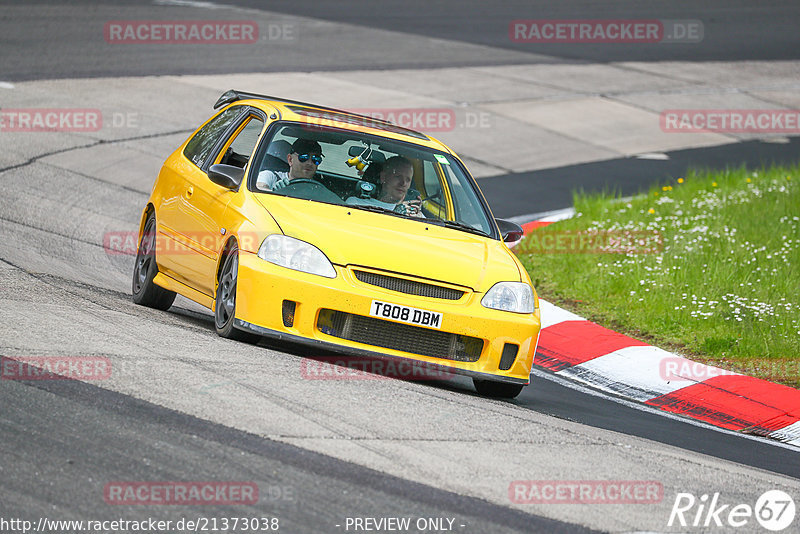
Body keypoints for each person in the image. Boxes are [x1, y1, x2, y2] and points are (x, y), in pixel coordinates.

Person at [346, 156, 423, 217]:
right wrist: (396, 214)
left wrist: (420, 221)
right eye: (398, 176)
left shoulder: (411, 212)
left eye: (408, 180)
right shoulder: (355, 203)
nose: (403, 183)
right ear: (383, 177)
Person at [256, 138, 324, 191]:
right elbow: (258, 188)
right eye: (304, 157)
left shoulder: (320, 190)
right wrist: (274, 192)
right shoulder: (271, 176)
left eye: (316, 159)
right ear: (290, 159)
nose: (310, 163)